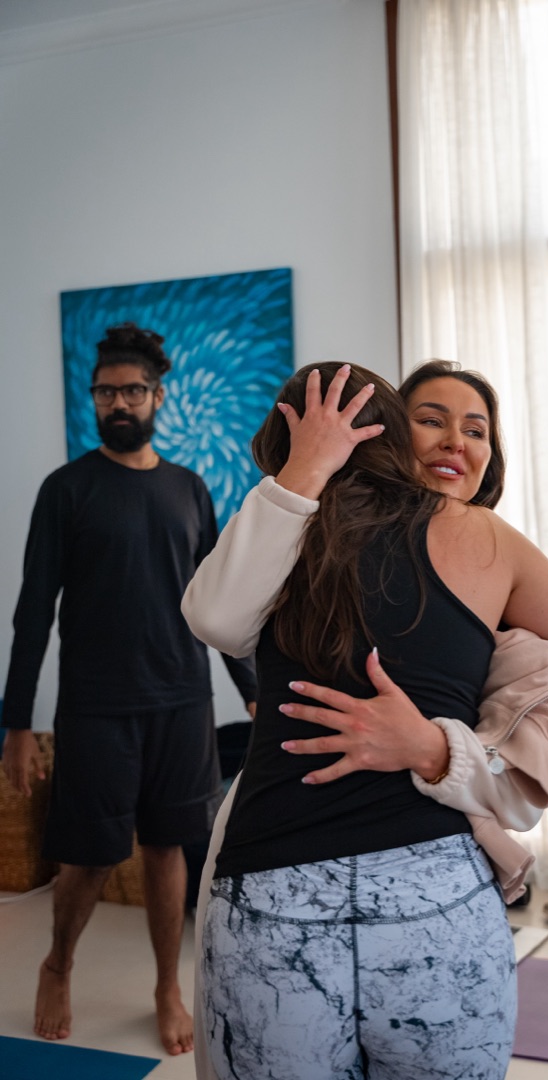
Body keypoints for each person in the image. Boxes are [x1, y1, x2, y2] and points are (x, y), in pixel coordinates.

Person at [182, 361, 548, 1080]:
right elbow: (214, 619)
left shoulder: (482, 541)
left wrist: (444, 737)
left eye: (477, 428)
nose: (454, 441)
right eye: (430, 419)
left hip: (399, 888)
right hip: (300, 888)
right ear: (388, 433)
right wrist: (305, 474)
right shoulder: (302, 527)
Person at [0, 322, 257, 1056]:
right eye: (106, 390)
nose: (119, 401)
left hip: (182, 700)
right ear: (94, 398)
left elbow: (217, 601)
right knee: (87, 857)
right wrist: (18, 724)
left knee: (168, 846)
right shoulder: (66, 490)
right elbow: (31, 612)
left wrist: (252, 690)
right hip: (96, 707)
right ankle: (59, 963)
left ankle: (165, 987)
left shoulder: (187, 488)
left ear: (157, 396)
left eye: (132, 389)